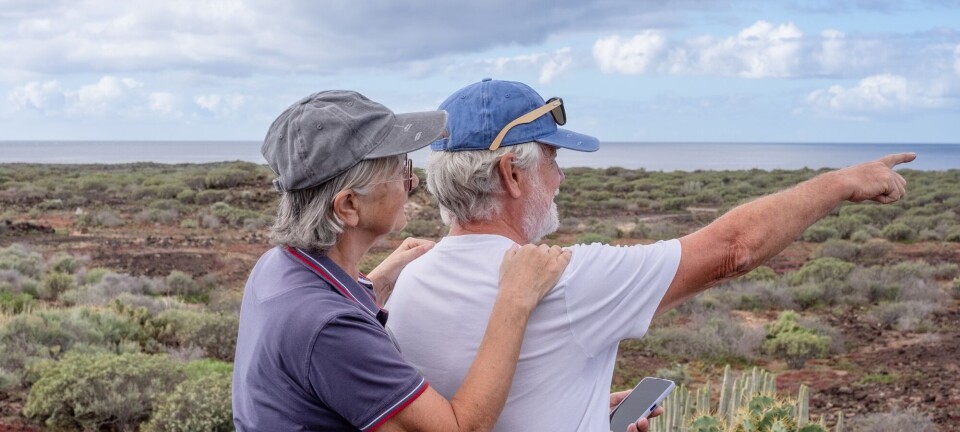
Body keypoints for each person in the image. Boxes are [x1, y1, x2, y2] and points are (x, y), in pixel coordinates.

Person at [385, 78, 916, 432]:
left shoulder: (411, 275)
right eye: (551, 157)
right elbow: (733, 251)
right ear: (513, 174)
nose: (561, 175)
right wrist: (843, 182)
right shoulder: (563, 279)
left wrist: (589, 411)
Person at [232, 90, 575, 432]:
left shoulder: (276, 267)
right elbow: (460, 429)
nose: (411, 182)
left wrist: (374, 283)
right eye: (400, 170)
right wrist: (514, 300)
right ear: (349, 206)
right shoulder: (330, 329)